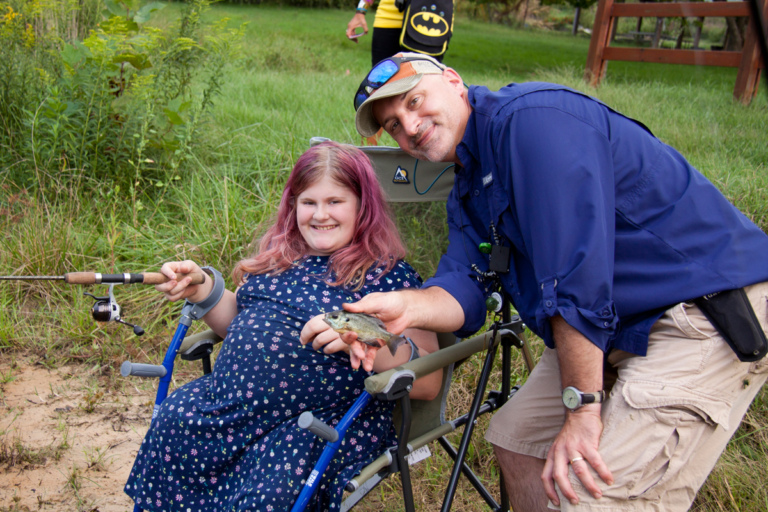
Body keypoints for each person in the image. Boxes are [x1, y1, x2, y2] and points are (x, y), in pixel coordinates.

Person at [341, 52, 768, 511]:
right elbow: (464, 285)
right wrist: (409, 307)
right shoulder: (468, 190)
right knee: (516, 440)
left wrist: (582, 408)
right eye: (394, 124)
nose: (409, 125)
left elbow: (573, 276)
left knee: (593, 492)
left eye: (413, 101)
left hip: (696, 308)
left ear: (452, 79)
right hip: (612, 322)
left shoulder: (530, 121)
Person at [124, 141, 441, 512]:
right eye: (309, 202)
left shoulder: (388, 276)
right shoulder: (278, 261)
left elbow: (429, 380)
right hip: (231, 407)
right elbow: (239, 324)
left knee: (267, 492)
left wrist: (365, 338)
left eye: (335, 201)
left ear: (363, 206)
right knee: (174, 421)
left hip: (309, 425)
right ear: (293, 206)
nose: (320, 214)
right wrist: (201, 288)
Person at [346, 0, 451, 66]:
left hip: (433, 15)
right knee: (380, 84)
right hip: (390, 15)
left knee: (423, 87)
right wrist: (362, 9)